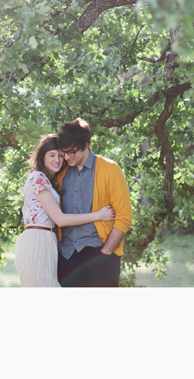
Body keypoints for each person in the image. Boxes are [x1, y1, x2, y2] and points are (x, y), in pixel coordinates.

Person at [14, 134, 116, 287]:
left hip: (49, 242)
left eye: (61, 156)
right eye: (52, 155)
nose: (57, 160)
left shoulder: (50, 181)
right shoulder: (38, 178)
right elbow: (60, 220)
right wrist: (99, 215)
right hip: (36, 240)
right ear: (43, 157)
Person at [55, 118, 133, 287]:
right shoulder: (60, 174)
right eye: (64, 152)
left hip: (100, 255)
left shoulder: (110, 169)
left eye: (72, 152)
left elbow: (124, 216)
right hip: (67, 257)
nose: (67, 157)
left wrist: (106, 252)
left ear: (86, 145)